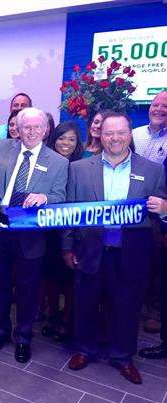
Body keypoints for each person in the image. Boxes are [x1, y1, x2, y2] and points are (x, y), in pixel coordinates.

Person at [63, 112, 167, 384]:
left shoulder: (152, 170)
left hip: (132, 253)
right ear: (100, 135)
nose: (115, 138)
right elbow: (70, 211)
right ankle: (85, 349)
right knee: (85, 304)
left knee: (128, 308)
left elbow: (161, 213)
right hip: (89, 251)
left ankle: (122, 357)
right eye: (109, 133)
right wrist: (67, 247)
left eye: (121, 132)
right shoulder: (79, 169)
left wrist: (164, 208)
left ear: (130, 134)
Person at [0, 107, 69, 363]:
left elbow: (61, 196)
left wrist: (45, 198)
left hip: (31, 232)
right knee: (0, 283)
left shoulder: (59, 162)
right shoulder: (2, 146)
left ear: (45, 130)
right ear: (18, 130)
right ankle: (0, 331)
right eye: (26, 127)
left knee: (28, 287)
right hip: (0, 227)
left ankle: (23, 337)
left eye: (36, 127)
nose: (31, 132)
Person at [40, 122, 84, 341]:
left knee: (70, 277)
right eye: (61, 138)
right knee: (50, 276)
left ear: (78, 143)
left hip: (73, 229)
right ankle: (52, 315)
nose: (66, 143)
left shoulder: (83, 166)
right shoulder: (45, 162)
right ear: (54, 139)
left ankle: (68, 318)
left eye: (71, 139)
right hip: (48, 229)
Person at [132, 91, 167, 334]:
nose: (159, 109)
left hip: (158, 210)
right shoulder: (134, 134)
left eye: (165, 106)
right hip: (129, 207)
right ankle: (131, 307)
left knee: (155, 261)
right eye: (156, 104)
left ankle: (153, 310)